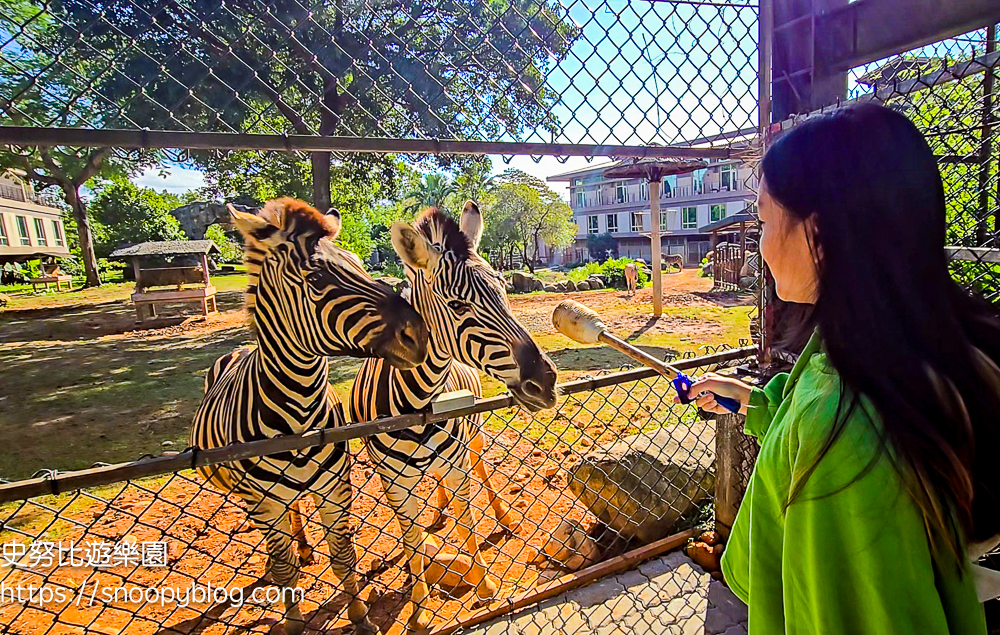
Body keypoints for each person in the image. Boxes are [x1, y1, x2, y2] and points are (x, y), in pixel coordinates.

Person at [685, 103, 1000, 634]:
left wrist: (804, 424)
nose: (760, 245)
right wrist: (753, 400)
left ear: (820, 234)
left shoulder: (841, 441)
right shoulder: (922, 344)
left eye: (764, 220)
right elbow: (811, 404)